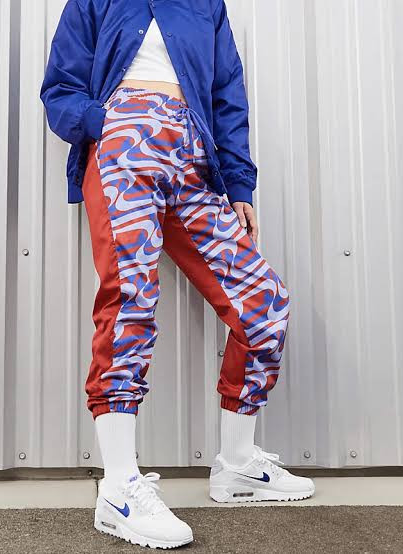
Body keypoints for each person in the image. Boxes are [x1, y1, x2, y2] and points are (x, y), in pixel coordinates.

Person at [41, 0, 315, 549]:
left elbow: (227, 94)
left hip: (192, 158)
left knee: (263, 303)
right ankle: (119, 487)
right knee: (131, 297)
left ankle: (237, 464)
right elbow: (60, 90)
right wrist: (105, 121)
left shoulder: (206, 5)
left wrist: (239, 184)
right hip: (122, 149)